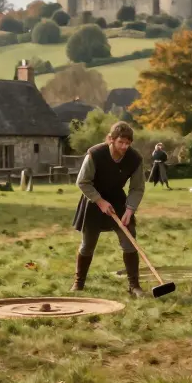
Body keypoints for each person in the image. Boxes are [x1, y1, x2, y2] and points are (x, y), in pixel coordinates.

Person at [71, 121, 146, 296]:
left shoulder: (135, 159)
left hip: (119, 201)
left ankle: (134, 286)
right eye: (120, 142)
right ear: (110, 139)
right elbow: (82, 182)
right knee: (87, 245)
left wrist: (130, 209)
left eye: (128, 143)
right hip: (93, 200)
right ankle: (78, 283)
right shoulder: (95, 154)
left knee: (129, 242)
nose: (124, 147)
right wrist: (100, 201)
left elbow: (137, 188)